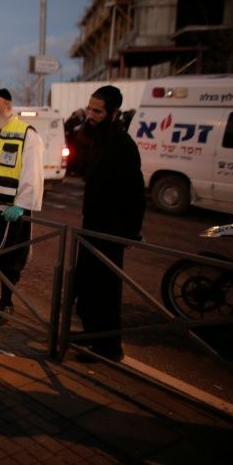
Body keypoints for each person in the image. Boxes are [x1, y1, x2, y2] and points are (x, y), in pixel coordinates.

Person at [73, 85, 145, 362]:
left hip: (111, 230)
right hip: (91, 225)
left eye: (97, 111)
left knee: (105, 290)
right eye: (90, 108)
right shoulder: (97, 137)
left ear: (113, 113)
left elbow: (135, 193)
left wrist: (130, 233)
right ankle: (92, 335)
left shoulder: (123, 145)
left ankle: (108, 347)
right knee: (87, 287)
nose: (91, 115)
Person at [0, 88, 44, 326]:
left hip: (11, 211)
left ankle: (6, 303)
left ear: (8, 107)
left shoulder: (26, 134)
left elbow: (32, 173)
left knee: (9, 260)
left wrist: (22, 205)